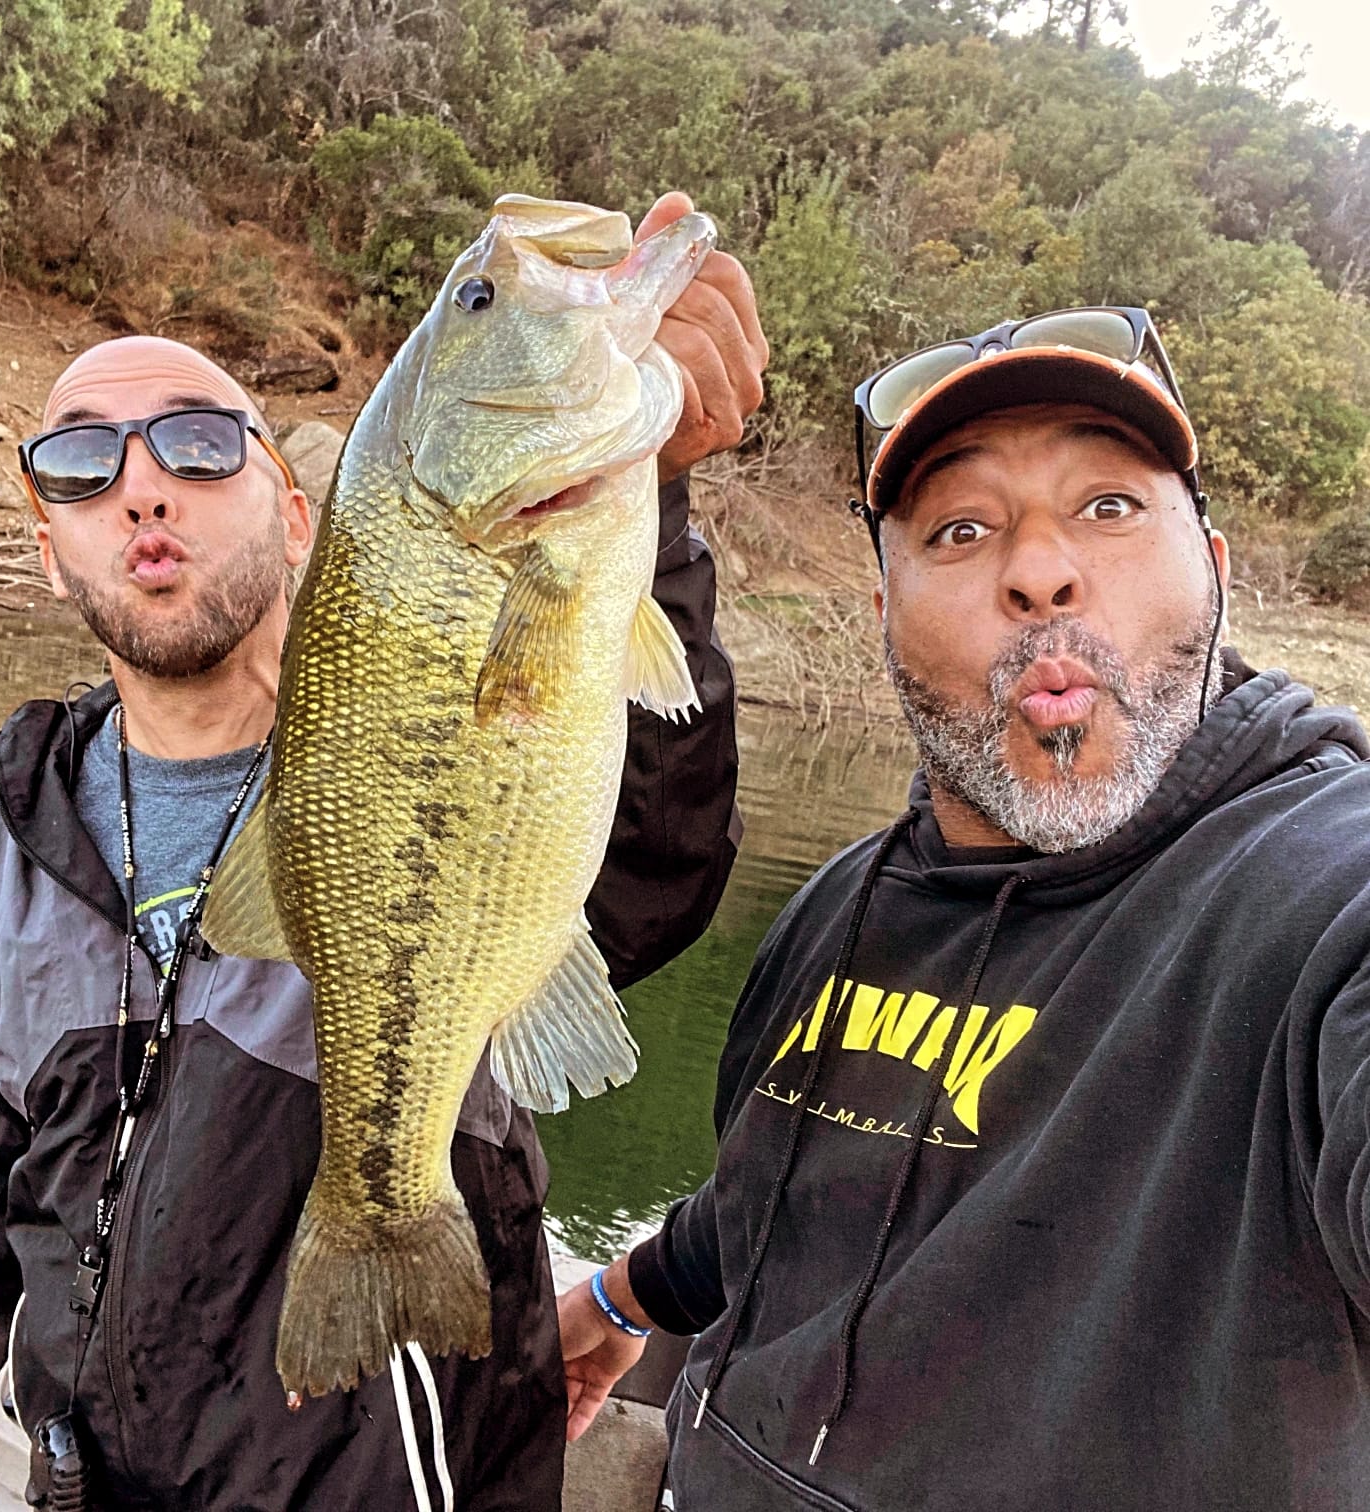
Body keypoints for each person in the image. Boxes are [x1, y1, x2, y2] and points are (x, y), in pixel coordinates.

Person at [0, 191, 768, 1511]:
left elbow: (651, 877)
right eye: (78, 467)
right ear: (52, 554)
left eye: (195, 441)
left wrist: (656, 500)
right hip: (91, 1474)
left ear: (298, 517)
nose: (142, 486)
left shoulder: (393, 731)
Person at [560, 305, 1370, 1510]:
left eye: (1107, 506)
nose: (1040, 569)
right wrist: (622, 1299)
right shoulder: (842, 905)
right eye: (962, 527)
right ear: (883, 613)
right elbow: (776, 1181)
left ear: (1216, 566)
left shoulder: (1321, 889)